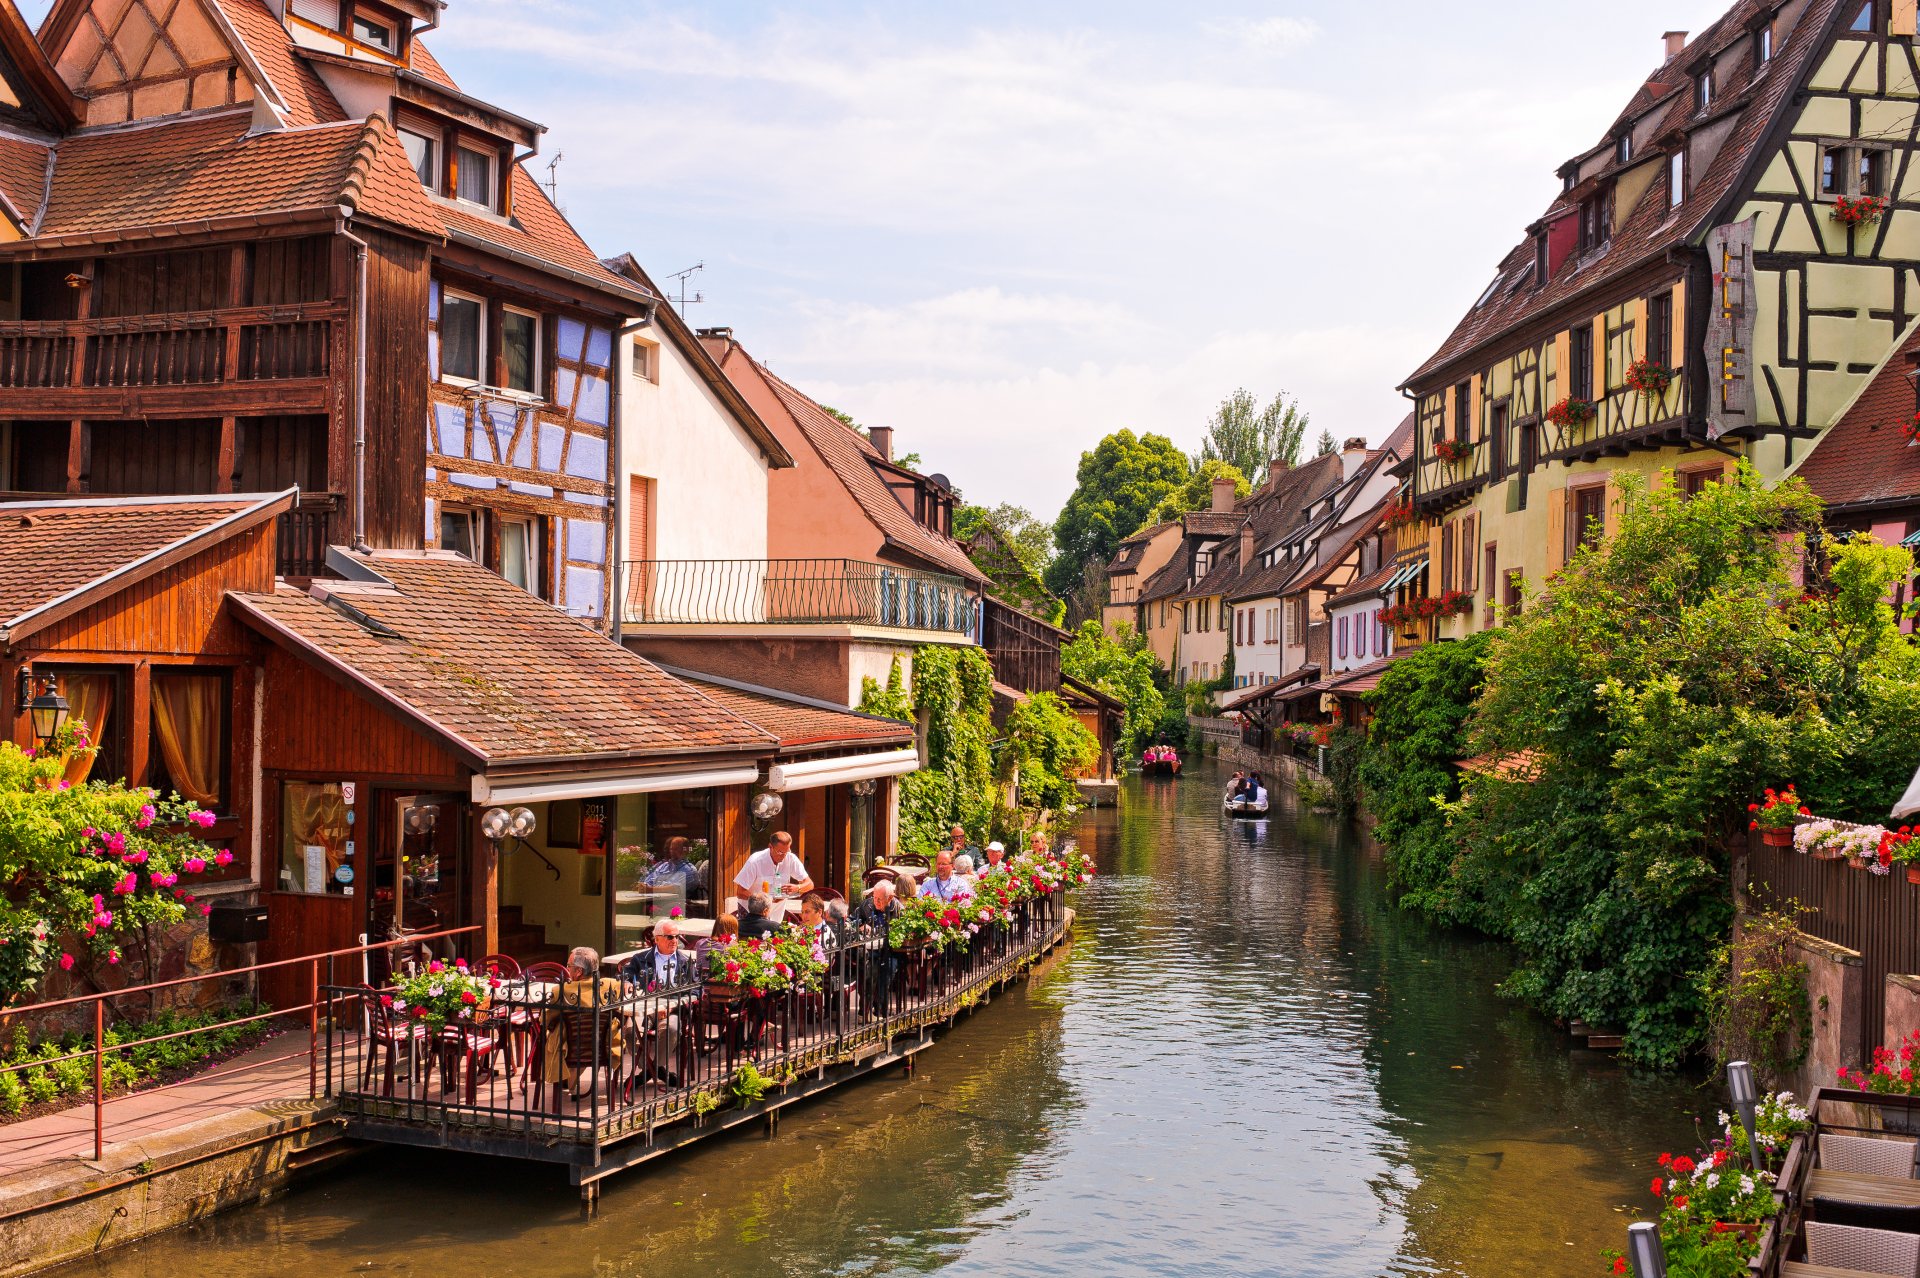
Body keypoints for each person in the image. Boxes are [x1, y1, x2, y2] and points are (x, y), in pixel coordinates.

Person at [543, 946, 624, 1102]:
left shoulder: (560, 991)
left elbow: (545, 1020)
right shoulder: (612, 985)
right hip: (605, 1046)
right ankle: (571, 1081)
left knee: (552, 1037)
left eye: (569, 966)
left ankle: (563, 1079)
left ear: (579, 971)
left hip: (571, 1049)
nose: (567, 969)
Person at [851, 879, 903, 1014]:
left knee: (886, 969)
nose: (876, 902)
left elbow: (904, 933)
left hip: (890, 951)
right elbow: (850, 922)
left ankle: (879, 1007)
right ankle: (866, 1006)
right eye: (874, 897)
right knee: (867, 970)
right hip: (868, 950)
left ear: (890, 898)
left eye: (880, 899)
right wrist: (861, 926)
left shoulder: (899, 909)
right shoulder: (866, 905)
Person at [734, 831, 813, 911]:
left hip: (776, 915)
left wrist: (798, 888)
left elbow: (810, 884)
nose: (784, 856)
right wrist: (763, 900)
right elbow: (740, 892)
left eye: (787, 851)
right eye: (780, 852)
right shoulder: (755, 861)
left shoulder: (791, 858)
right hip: (751, 914)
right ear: (770, 847)